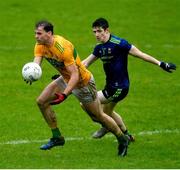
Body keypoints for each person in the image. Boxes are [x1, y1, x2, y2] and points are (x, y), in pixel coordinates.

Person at [25, 20, 131, 157]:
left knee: (98, 116)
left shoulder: (62, 47)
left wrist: (64, 94)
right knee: (41, 101)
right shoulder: (40, 45)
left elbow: (75, 74)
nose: (36, 36)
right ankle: (57, 137)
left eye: (39, 33)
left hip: (83, 83)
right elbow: (36, 65)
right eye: (35, 33)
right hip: (65, 78)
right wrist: (31, 74)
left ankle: (122, 139)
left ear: (49, 33)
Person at [82, 18, 176, 139]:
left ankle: (107, 126)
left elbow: (141, 55)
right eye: (94, 32)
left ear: (106, 30)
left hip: (119, 87)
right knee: (107, 112)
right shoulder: (99, 48)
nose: (96, 34)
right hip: (110, 86)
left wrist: (160, 63)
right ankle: (126, 135)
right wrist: (67, 73)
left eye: (99, 31)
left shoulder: (120, 44)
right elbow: (85, 64)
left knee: (87, 104)